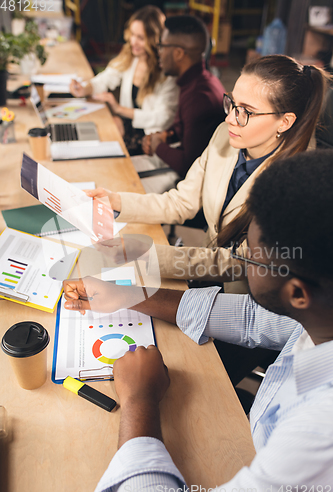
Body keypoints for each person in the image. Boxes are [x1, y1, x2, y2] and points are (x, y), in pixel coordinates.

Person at [64, 149, 333, 492]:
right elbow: (254, 318)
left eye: (250, 256)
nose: (241, 262)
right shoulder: (319, 307)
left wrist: (138, 402)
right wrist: (131, 295)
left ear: (297, 293)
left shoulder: (318, 435)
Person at [85, 55, 328, 292]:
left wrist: (148, 255)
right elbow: (181, 202)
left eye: (246, 111)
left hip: (242, 298)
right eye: (232, 103)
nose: (230, 118)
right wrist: (116, 201)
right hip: (201, 273)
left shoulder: (295, 183)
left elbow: (240, 263)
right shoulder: (225, 136)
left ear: (284, 122)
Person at [130, 15, 226, 193]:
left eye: (162, 46)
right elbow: (186, 130)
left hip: (192, 184)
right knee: (123, 166)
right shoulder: (196, 82)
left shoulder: (199, 97)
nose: (158, 52)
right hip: (183, 168)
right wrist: (166, 136)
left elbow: (188, 164)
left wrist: (158, 145)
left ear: (179, 53)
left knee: (122, 184)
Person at [69, 6, 179, 156]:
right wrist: (84, 89)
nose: (133, 41)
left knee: (103, 145)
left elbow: (163, 119)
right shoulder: (132, 57)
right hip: (130, 127)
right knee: (96, 134)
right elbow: (107, 78)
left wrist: (119, 109)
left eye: (141, 38)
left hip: (150, 139)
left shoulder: (167, 73)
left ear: (155, 39)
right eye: (132, 34)